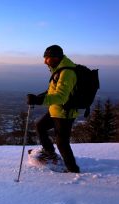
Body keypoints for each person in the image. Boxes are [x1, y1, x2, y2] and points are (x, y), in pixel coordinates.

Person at [27, 45, 80, 173]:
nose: (45, 61)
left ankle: (73, 170)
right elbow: (52, 90)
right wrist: (38, 97)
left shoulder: (67, 72)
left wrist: (39, 101)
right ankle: (49, 152)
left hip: (64, 113)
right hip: (55, 110)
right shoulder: (58, 69)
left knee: (62, 143)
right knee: (40, 126)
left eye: (47, 58)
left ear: (56, 58)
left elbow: (61, 97)